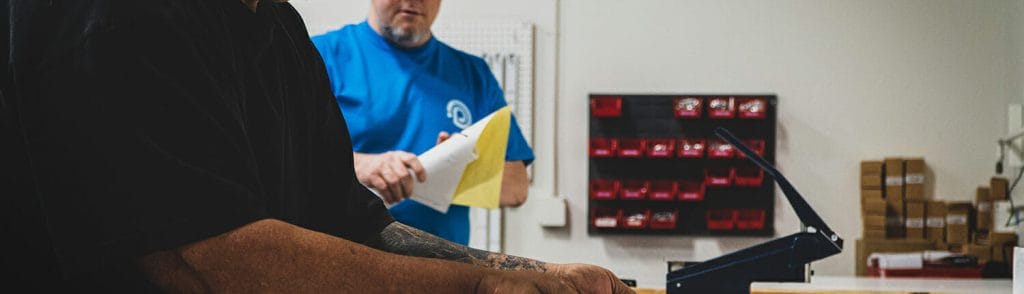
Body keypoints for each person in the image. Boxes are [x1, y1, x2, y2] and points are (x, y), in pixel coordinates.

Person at [0, 0, 634, 293]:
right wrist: (477, 289)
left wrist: (531, 274)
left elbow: (353, 221)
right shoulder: (114, 14)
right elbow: (206, 259)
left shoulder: (279, 27)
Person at [310, 0, 533, 245]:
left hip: (443, 263)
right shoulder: (320, 56)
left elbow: (516, 188)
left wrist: (457, 165)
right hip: (345, 258)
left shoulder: (473, 74)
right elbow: (287, 161)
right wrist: (362, 166)